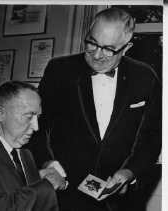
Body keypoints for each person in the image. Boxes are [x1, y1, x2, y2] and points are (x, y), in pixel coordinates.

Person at [29, 7, 162, 211]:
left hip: (120, 201)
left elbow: (152, 137)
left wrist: (129, 173)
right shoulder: (59, 70)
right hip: (63, 195)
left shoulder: (145, 77)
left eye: (109, 49)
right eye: (92, 43)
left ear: (127, 47)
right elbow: (36, 127)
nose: (97, 55)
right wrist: (47, 163)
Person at [0, 81, 67, 211]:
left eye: (38, 117)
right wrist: (49, 182)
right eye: (29, 116)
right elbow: (1, 207)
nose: (36, 127)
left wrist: (39, 178)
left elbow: (19, 193)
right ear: (0, 113)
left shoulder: (25, 154)